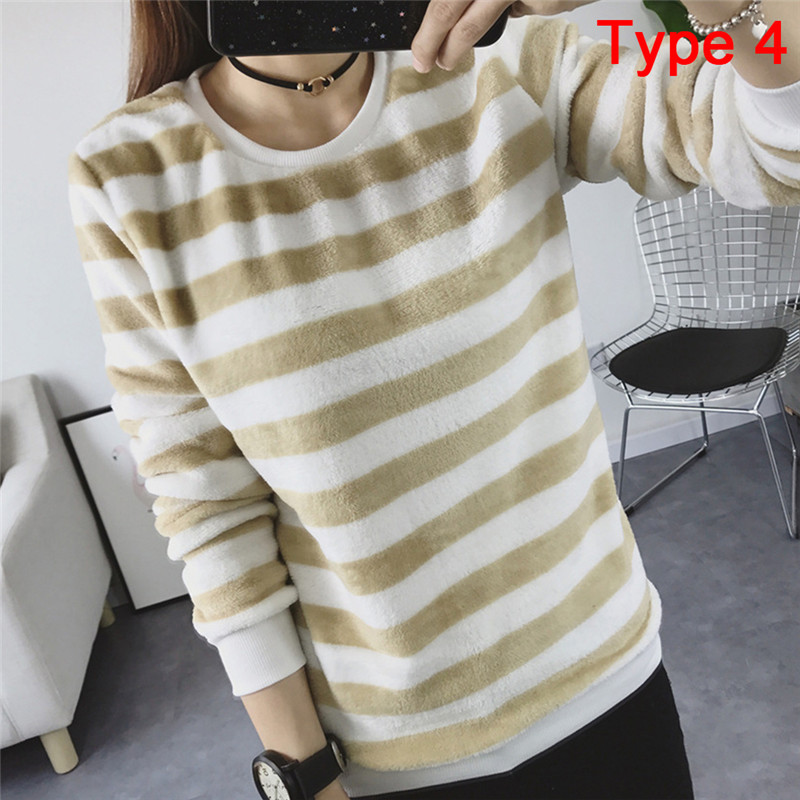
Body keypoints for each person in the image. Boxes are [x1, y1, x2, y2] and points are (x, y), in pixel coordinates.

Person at [67, 1, 799, 798]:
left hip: (605, 677)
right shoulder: (130, 174)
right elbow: (205, 504)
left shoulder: (511, 60)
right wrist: (305, 776)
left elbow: (776, 151)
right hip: (392, 754)